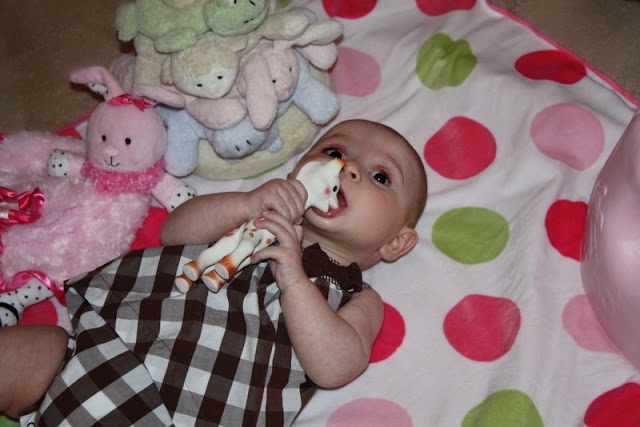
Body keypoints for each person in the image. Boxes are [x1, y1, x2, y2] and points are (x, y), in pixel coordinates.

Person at [2, 119, 427, 425]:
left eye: (380, 176)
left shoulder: (356, 295)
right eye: (333, 153)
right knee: (23, 355)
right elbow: (174, 232)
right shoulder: (256, 215)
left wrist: (295, 280)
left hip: (188, 408)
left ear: (396, 243)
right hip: (100, 342)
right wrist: (246, 204)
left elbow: (335, 367)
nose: (346, 168)